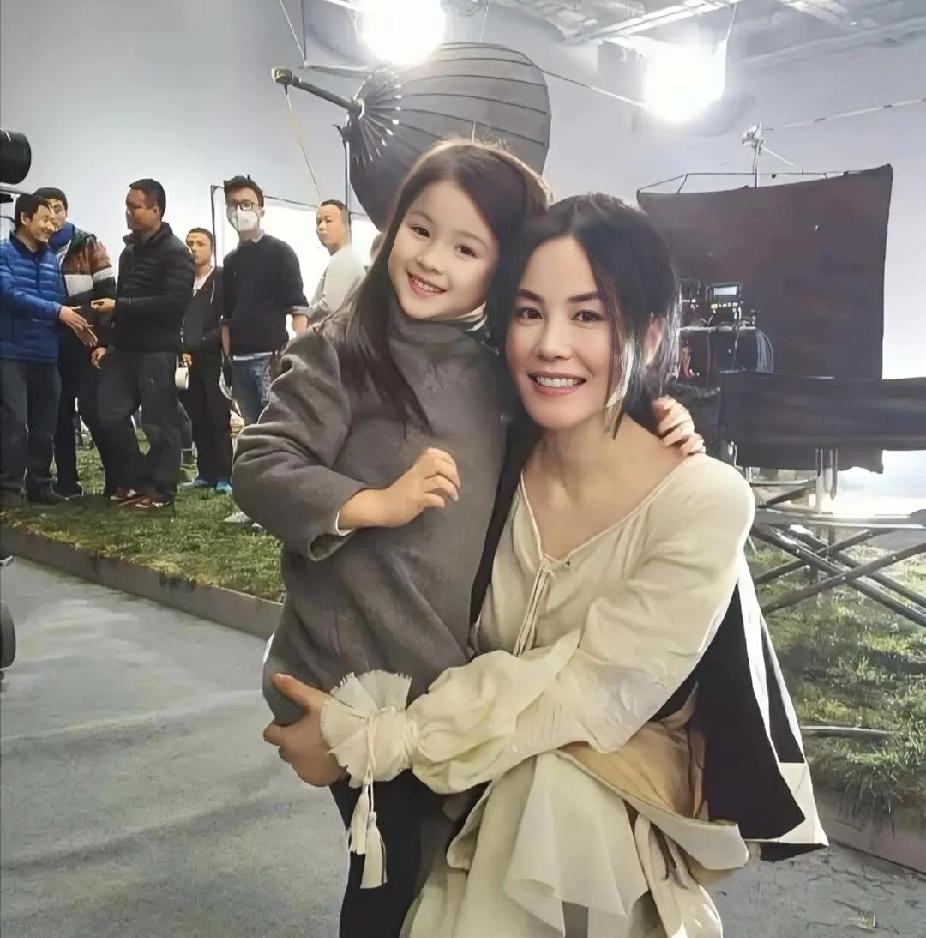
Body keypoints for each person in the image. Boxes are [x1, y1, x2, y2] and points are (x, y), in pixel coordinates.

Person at [265, 195, 827, 937]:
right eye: (529, 312)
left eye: (588, 316)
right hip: (447, 805)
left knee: (552, 788)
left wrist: (369, 741)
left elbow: (586, 690)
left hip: (580, 843)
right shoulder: (488, 457)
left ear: (649, 332)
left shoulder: (703, 502)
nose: (551, 345)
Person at [232, 143, 702, 938]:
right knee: (389, 876)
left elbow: (572, 415)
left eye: (466, 248)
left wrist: (656, 416)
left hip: (438, 673)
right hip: (352, 672)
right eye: (420, 230)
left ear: (500, 273)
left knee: (442, 872)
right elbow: (260, 461)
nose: (431, 260)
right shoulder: (343, 347)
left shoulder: (496, 369)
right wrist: (369, 503)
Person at [91, 179, 194, 510]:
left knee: (159, 423)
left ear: (156, 209)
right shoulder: (128, 252)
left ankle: (161, 489)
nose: (128, 212)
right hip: (124, 348)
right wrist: (106, 340)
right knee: (108, 413)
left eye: (134, 206)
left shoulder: (177, 253)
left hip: (158, 350)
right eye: (127, 206)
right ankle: (136, 481)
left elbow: (172, 304)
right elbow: (123, 299)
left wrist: (120, 307)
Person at [1, 194, 95, 508]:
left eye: (54, 220)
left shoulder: (50, 260)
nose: (51, 226)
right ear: (24, 218)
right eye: (44, 219)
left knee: (46, 425)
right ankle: (9, 487)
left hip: (45, 353)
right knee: (14, 423)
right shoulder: (3, 254)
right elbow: (9, 294)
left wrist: (77, 326)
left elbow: (58, 302)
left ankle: (39, 484)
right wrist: (58, 312)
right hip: (11, 353)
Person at [33, 186, 117, 497]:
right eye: (46, 209)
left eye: (58, 207)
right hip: (48, 342)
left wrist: (102, 341)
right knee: (57, 412)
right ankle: (67, 481)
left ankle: (115, 479)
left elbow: (108, 294)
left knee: (94, 409)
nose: (53, 215)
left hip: (85, 340)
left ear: (66, 211)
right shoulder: (34, 247)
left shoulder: (87, 243)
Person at [220, 175, 308, 426]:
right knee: (252, 428)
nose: (240, 210)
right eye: (233, 204)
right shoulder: (230, 261)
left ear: (260, 210)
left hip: (270, 358)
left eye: (246, 204)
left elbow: (298, 308)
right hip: (239, 361)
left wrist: (299, 357)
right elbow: (226, 316)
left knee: (277, 427)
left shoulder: (280, 252)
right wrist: (227, 361)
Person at [179, 228, 232, 494]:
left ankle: (225, 474)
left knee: (217, 415)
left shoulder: (221, 279)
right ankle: (205, 472)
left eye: (200, 243)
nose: (194, 248)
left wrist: (201, 343)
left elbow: (226, 319)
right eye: (189, 243)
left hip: (213, 358)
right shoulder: (181, 282)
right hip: (186, 361)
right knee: (196, 415)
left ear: (211, 249)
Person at [297, 199, 366, 330]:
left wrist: (303, 314)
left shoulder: (343, 260)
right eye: (318, 222)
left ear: (346, 226)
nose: (321, 227)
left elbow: (329, 307)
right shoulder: (343, 258)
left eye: (328, 221)